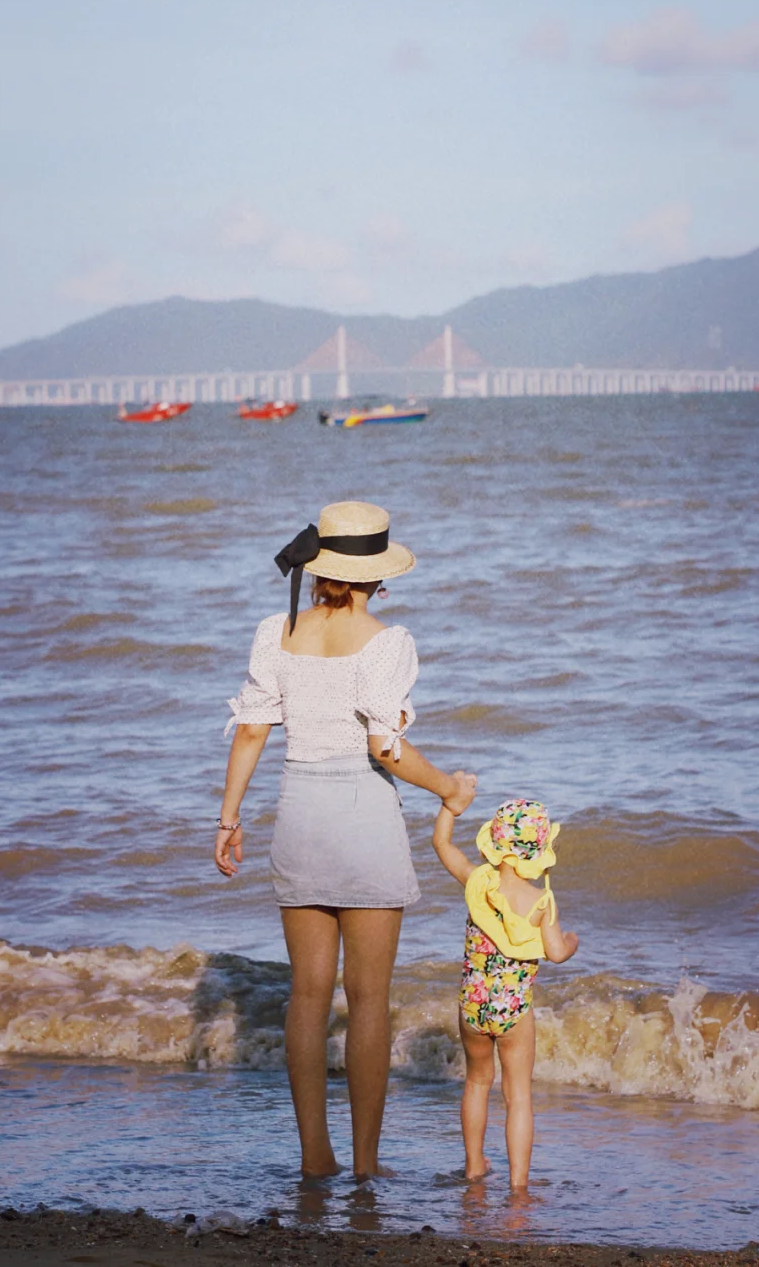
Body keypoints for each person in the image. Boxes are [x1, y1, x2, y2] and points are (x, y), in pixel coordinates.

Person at [215, 499, 477, 1179]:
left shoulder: (277, 631)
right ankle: (365, 1163)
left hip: (298, 815)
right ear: (377, 577)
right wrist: (447, 787)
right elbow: (385, 748)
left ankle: (314, 1157)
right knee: (367, 1000)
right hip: (363, 822)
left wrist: (228, 818)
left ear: (320, 567)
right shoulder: (387, 643)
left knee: (307, 996)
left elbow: (252, 729)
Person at [432, 797, 579, 1192]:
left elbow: (442, 844)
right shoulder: (540, 903)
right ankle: (518, 1184)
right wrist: (571, 940)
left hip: (473, 1006)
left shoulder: (478, 883)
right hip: (513, 1013)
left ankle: (474, 1166)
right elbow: (556, 953)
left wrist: (449, 804)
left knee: (477, 1082)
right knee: (518, 1096)